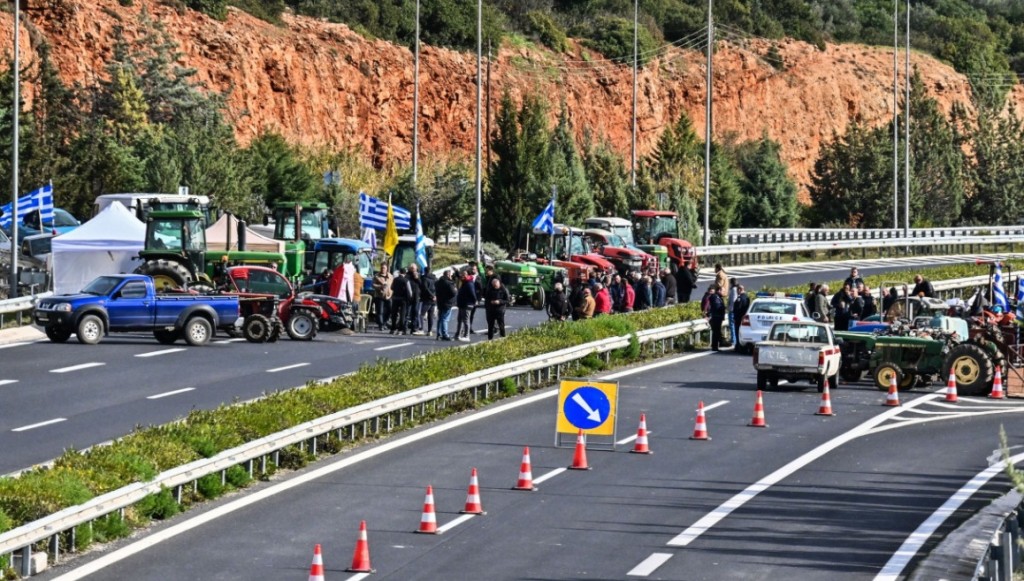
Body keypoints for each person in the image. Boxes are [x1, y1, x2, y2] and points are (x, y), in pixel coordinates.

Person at [435, 268, 457, 340]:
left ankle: (439, 334)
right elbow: (453, 293)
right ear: (448, 275)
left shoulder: (438, 282)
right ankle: (445, 334)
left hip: (440, 302)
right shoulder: (449, 283)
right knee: (445, 319)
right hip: (447, 303)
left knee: (440, 318)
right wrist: (455, 288)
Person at [389, 268, 413, 334]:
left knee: (394, 314)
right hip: (403, 299)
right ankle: (400, 329)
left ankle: (393, 328)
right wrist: (410, 298)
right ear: (405, 273)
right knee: (402, 314)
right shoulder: (406, 280)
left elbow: (391, 287)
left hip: (395, 298)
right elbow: (410, 291)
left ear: (399, 272)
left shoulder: (395, 279)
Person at [455, 271, 477, 341]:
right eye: (462, 274)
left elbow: (472, 294)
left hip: (467, 304)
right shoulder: (464, 282)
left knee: (466, 320)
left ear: (468, 275)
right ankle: (458, 335)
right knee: (460, 320)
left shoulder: (469, 283)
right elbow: (459, 277)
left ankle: (467, 336)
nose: (462, 276)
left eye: (464, 274)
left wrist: (474, 302)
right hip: (462, 304)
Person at [372, 264, 393, 331]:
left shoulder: (390, 276)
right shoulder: (377, 276)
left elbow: (393, 285)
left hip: (389, 296)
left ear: (387, 268)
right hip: (379, 296)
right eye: (381, 268)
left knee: (390, 310)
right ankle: (381, 325)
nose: (382, 269)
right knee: (380, 312)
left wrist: (392, 292)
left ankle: (384, 322)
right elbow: (373, 285)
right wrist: (380, 286)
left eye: (384, 268)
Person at [417, 266, 437, 336]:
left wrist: (431, 295)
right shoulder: (435, 278)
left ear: (425, 271)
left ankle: (421, 329)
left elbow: (425, 288)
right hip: (434, 299)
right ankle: (430, 331)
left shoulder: (424, 278)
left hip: (427, 299)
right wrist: (435, 296)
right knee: (430, 316)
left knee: (421, 314)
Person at [707, 285, 727, 351]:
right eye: (723, 291)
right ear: (719, 290)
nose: (724, 292)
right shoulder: (715, 297)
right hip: (716, 317)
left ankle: (717, 345)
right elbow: (717, 306)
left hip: (718, 317)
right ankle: (715, 346)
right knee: (716, 332)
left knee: (717, 332)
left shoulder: (719, 297)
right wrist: (723, 308)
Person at [406, 264, 422, 334]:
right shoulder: (407, 276)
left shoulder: (418, 275)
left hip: (416, 296)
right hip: (409, 296)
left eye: (414, 268)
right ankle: (405, 328)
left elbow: (421, 284)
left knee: (415, 312)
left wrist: (417, 278)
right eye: (412, 268)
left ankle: (414, 327)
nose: (413, 270)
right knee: (407, 312)